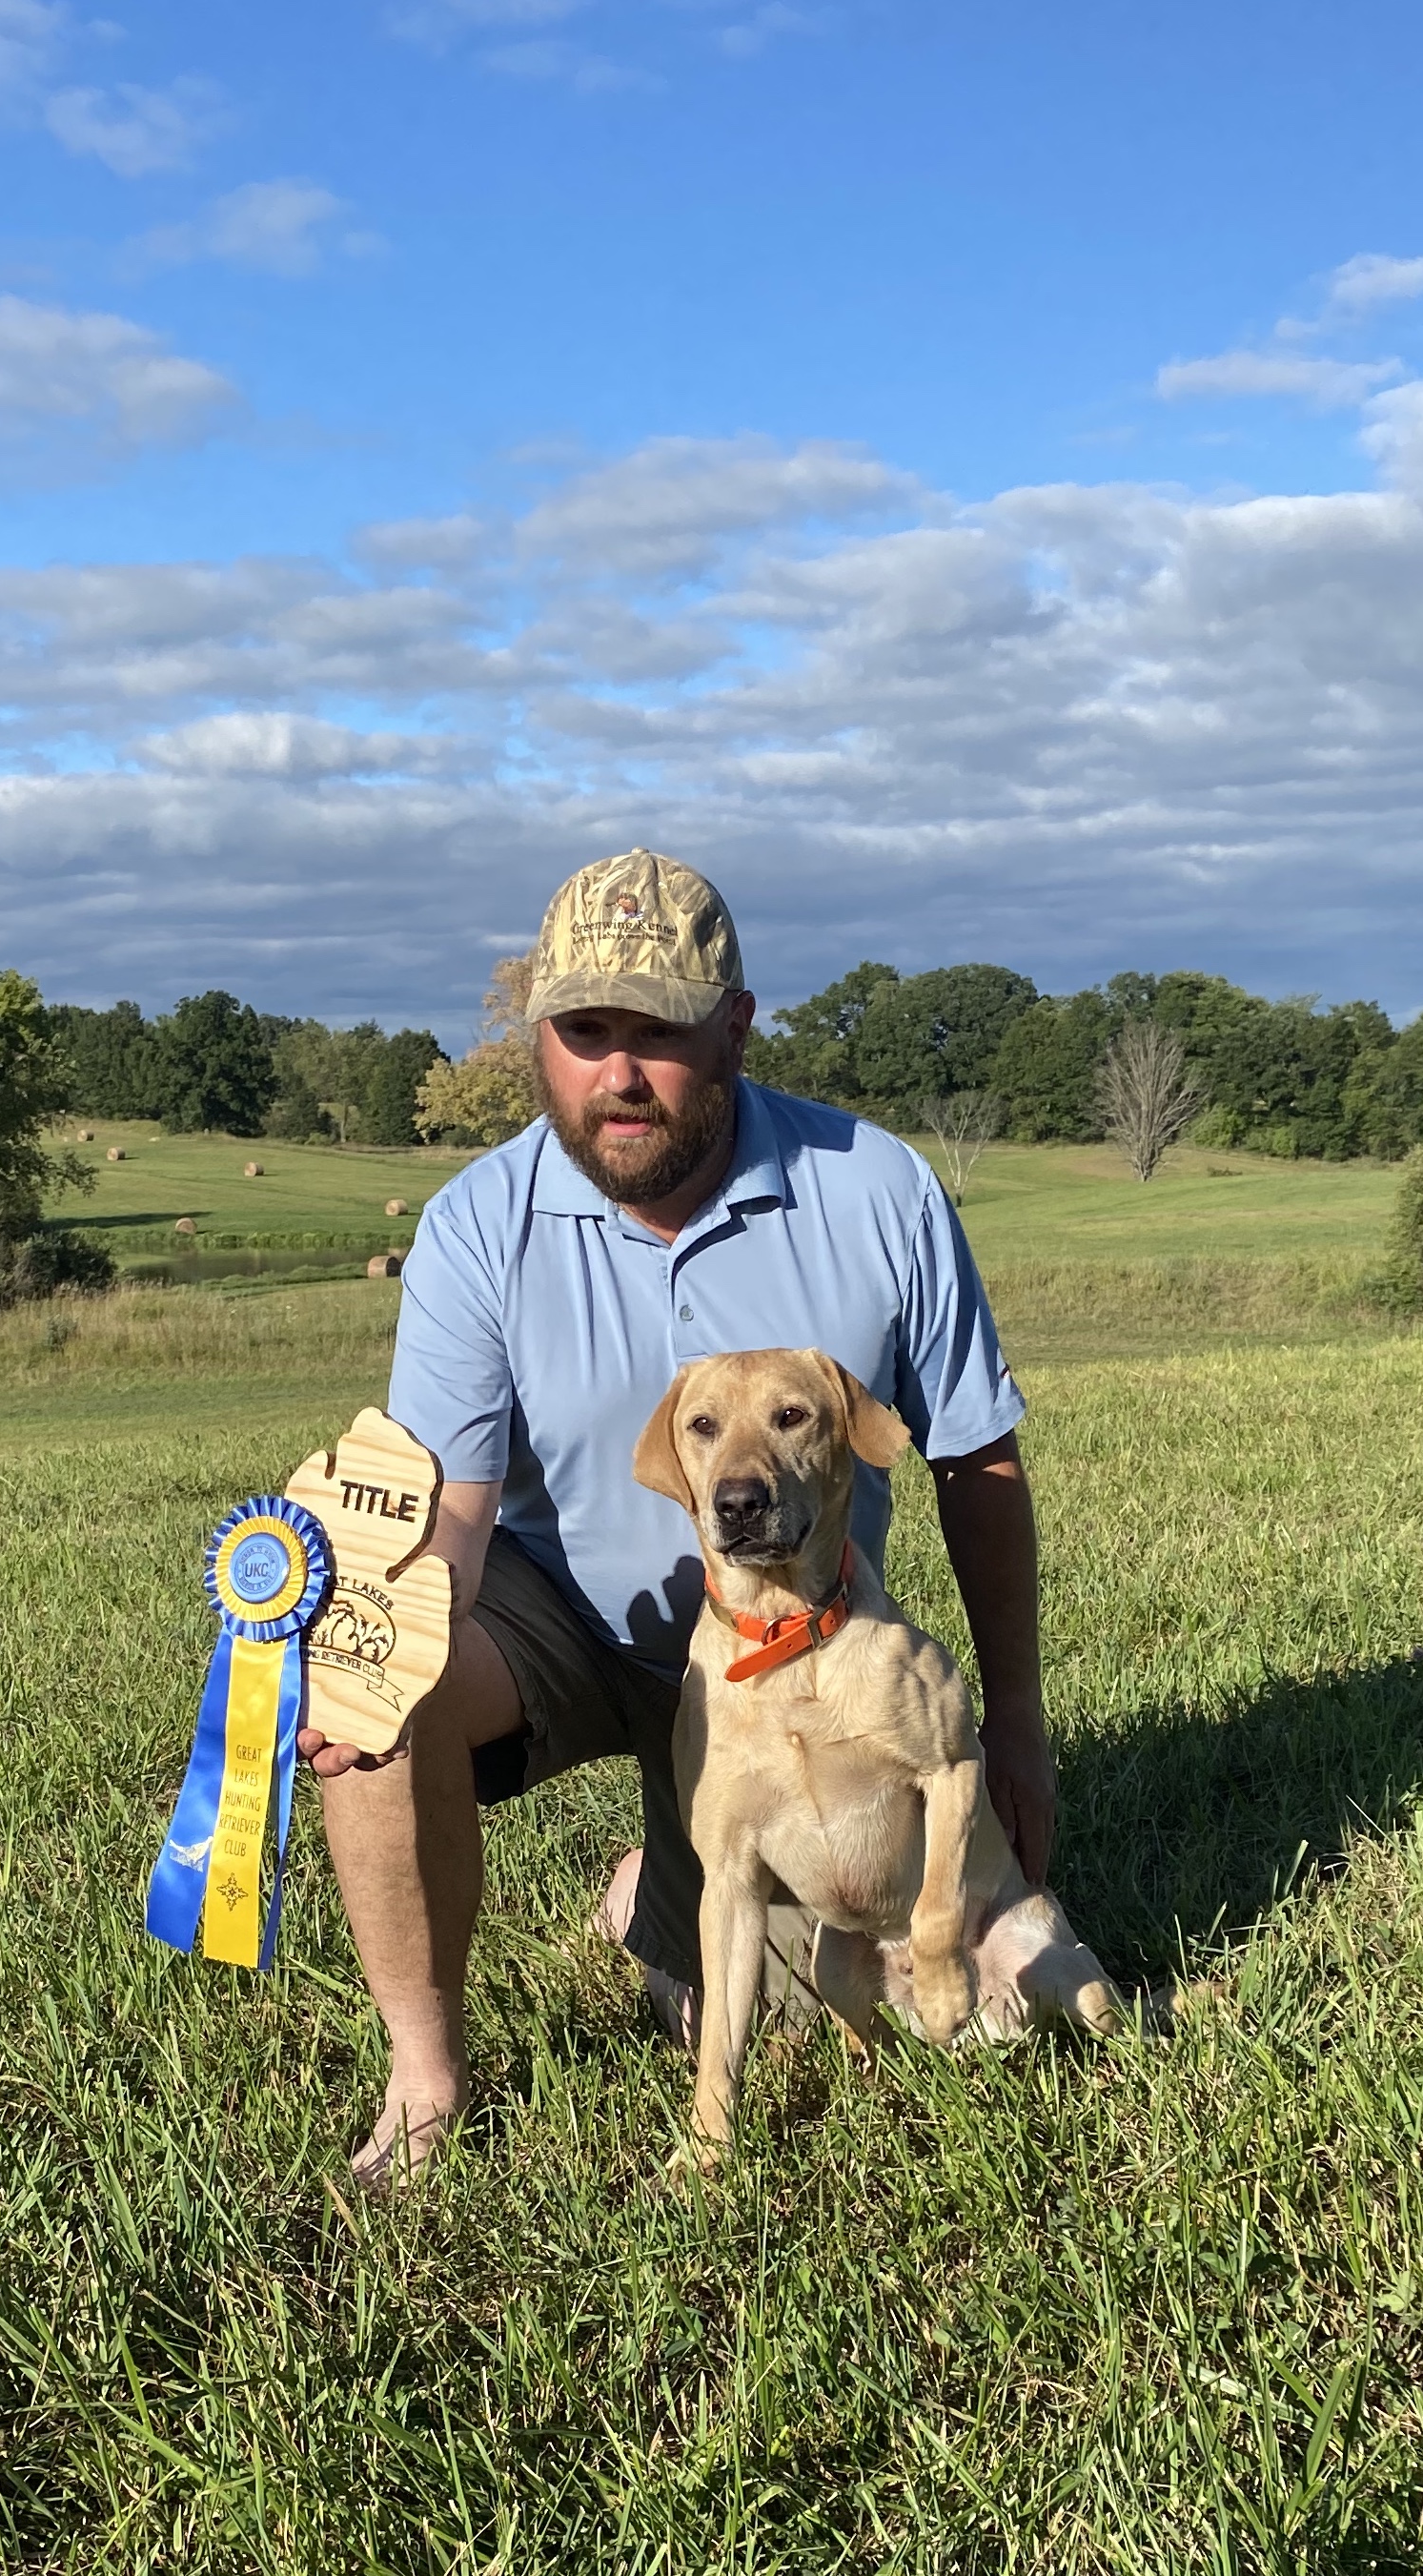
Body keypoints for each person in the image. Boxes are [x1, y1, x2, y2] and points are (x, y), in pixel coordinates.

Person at [297, 848, 1052, 2185]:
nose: (620, 1073)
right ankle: (426, 2079)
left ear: (737, 1027)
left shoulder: (876, 1188)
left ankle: (658, 1881)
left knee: (872, 2003)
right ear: (539, 1038)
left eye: (661, 1033)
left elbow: (975, 1466)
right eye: (587, 1034)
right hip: (575, 1627)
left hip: (816, 1652)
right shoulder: (479, 1224)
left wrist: (1020, 1732)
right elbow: (456, 1519)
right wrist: (376, 1658)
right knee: (371, 1690)